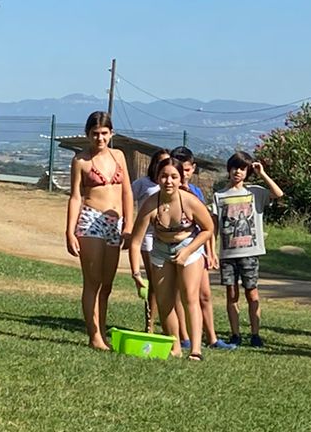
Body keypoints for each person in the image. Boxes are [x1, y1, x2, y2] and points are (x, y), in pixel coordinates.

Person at [128, 160, 215, 359]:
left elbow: (208, 229)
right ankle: (175, 346)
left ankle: (195, 350)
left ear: (180, 179)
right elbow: (135, 241)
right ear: (157, 178)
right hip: (160, 250)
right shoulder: (151, 203)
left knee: (189, 297)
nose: (168, 181)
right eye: (164, 176)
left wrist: (188, 251)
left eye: (174, 177)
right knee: (164, 302)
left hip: (189, 248)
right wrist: (136, 273)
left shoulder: (190, 201)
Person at [66, 111, 135, 350]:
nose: (100, 138)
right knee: (93, 281)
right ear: (87, 134)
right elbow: (75, 196)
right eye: (95, 134)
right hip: (91, 220)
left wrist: (129, 224)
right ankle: (94, 336)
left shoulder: (119, 156)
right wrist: (70, 231)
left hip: (115, 222)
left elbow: (127, 191)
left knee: (107, 284)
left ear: (111, 133)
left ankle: (102, 332)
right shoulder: (81, 161)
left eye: (104, 133)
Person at [214, 151, 284, 347]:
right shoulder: (220, 196)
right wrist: (212, 251)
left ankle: (255, 334)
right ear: (229, 169)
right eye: (235, 167)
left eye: (243, 169)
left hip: (250, 252)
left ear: (248, 172)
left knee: (252, 293)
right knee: (231, 294)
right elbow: (214, 226)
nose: (238, 172)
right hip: (228, 253)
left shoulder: (255, 192)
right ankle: (235, 334)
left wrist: (262, 174)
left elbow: (278, 194)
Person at [175, 149, 229, 349]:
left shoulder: (196, 192)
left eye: (187, 170)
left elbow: (206, 225)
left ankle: (212, 338)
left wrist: (211, 251)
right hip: (177, 249)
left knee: (204, 294)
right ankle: (184, 336)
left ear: (193, 169)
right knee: (182, 295)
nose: (183, 174)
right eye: (179, 170)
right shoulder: (168, 192)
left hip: (197, 249)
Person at [132, 150, 173, 333]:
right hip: (147, 237)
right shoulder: (143, 183)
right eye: (160, 162)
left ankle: (167, 324)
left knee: (165, 282)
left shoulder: (171, 184)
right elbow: (127, 198)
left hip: (166, 237)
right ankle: (150, 323)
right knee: (155, 280)